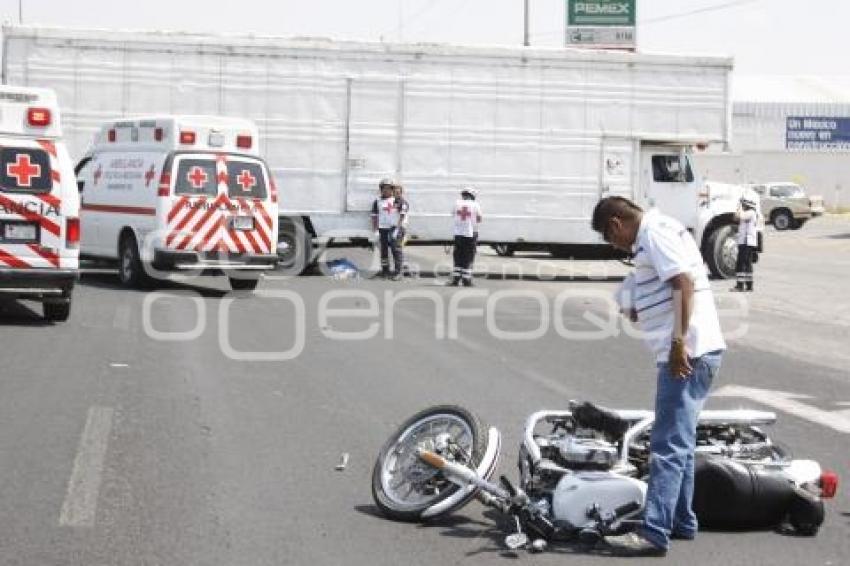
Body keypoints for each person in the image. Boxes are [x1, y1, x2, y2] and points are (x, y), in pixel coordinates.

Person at [591, 196, 726, 557]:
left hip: (687, 353)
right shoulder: (658, 232)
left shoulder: (654, 232)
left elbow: (683, 283)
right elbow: (665, 282)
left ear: (616, 224)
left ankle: (653, 533)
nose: (615, 245)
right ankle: (681, 521)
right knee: (679, 443)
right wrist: (638, 302)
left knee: (666, 445)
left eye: (610, 238)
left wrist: (678, 342)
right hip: (693, 350)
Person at [448, 187, 482, 287]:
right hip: (470, 234)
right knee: (468, 257)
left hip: (458, 234)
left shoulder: (457, 203)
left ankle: (456, 279)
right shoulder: (475, 204)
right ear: (472, 196)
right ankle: (466, 280)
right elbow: (479, 218)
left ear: (463, 195)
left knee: (458, 256)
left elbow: (453, 214)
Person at [370, 178, 402, 279]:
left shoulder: (396, 200)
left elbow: (403, 215)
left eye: (388, 188)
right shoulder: (377, 201)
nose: (386, 190)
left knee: (395, 250)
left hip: (393, 228)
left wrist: (399, 228)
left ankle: (398, 272)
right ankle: (385, 270)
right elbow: (374, 216)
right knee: (383, 251)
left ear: (392, 189)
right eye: (384, 188)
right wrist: (375, 230)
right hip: (382, 229)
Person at [732, 195, 759, 292]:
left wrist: (739, 206)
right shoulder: (748, 213)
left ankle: (740, 286)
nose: (743, 206)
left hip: (746, 242)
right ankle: (748, 286)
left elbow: (740, 216)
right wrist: (739, 206)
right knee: (747, 264)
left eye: (744, 204)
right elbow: (735, 218)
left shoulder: (751, 213)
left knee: (741, 264)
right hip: (745, 242)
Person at [393, 182, 411, 276]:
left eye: (398, 192)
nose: (396, 194)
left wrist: (397, 228)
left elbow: (402, 216)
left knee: (397, 249)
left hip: (400, 228)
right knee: (396, 250)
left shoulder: (403, 203)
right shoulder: (393, 202)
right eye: (395, 192)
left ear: (401, 193)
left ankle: (399, 272)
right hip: (395, 227)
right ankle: (401, 268)